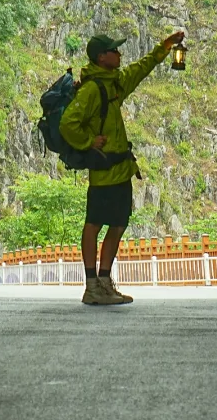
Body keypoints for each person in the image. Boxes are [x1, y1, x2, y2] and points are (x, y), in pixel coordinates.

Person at [59, 29, 186, 306]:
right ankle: (91, 285)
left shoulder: (114, 84)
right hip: (104, 171)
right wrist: (89, 141)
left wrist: (164, 47)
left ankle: (104, 282)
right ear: (101, 57)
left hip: (121, 170)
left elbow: (141, 69)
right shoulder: (92, 89)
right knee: (93, 224)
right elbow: (68, 124)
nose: (119, 54)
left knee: (117, 224)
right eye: (114, 51)